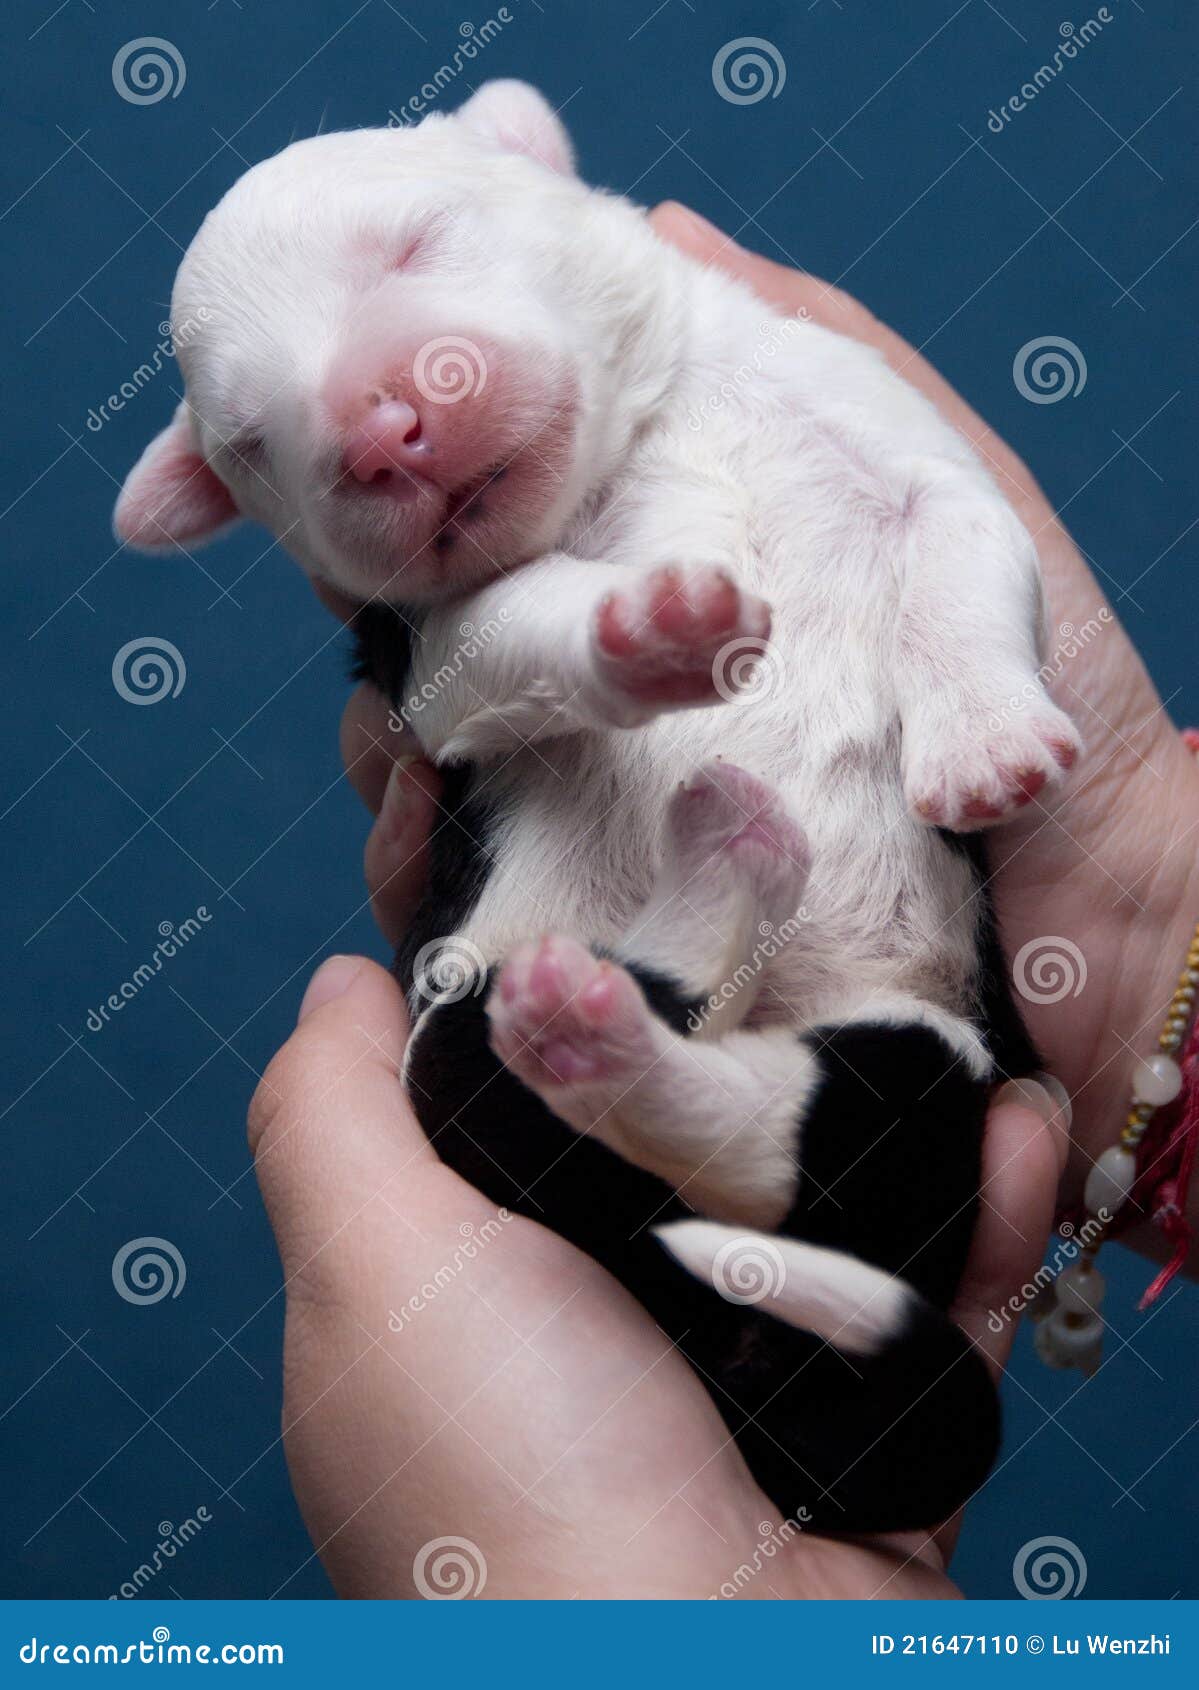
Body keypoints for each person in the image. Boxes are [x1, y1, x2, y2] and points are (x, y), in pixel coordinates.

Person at [247, 206, 1199, 1599]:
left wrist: (992, 701)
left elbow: (945, 512)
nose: (397, 418)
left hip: (870, 1048)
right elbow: (441, 692)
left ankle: (688, 1080)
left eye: (413, 276)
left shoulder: (754, 368)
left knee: (897, 1142)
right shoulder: (458, 556)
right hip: (578, 1027)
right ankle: (670, 1028)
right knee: (495, 1061)